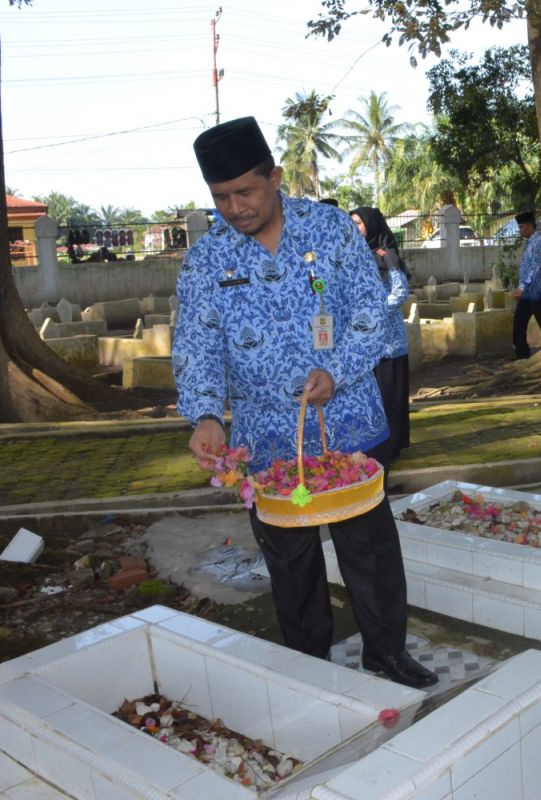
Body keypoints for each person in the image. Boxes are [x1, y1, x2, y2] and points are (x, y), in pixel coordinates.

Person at [174, 117, 436, 689]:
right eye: (221, 197)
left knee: (369, 547)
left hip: (347, 422)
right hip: (267, 438)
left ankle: (385, 652)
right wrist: (206, 415)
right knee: (289, 561)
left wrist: (336, 370)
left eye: (246, 191)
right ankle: (307, 663)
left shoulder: (330, 230)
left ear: (276, 176)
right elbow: (196, 346)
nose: (235, 207)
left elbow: (372, 313)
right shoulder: (205, 261)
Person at [350, 206, 411, 464]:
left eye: (359, 224)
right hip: (367, 345)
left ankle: (393, 446)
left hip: (389, 342)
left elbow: (400, 291)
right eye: (351, 223)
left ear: (372, 225)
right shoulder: (354, 255)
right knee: (374, 397)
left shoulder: (387, 255)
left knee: (391, 397)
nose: (355, 228)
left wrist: (374, 312)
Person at [511, 211, 541, 359]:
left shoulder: (539, 242)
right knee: (518, 325)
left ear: (530, 226)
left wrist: (522, 286)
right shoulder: (530, 242)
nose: (520, 231)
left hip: (537, 293)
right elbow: (527, 267)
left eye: (522, 227)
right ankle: (523, 357)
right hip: (527, 294)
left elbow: (535, 267)